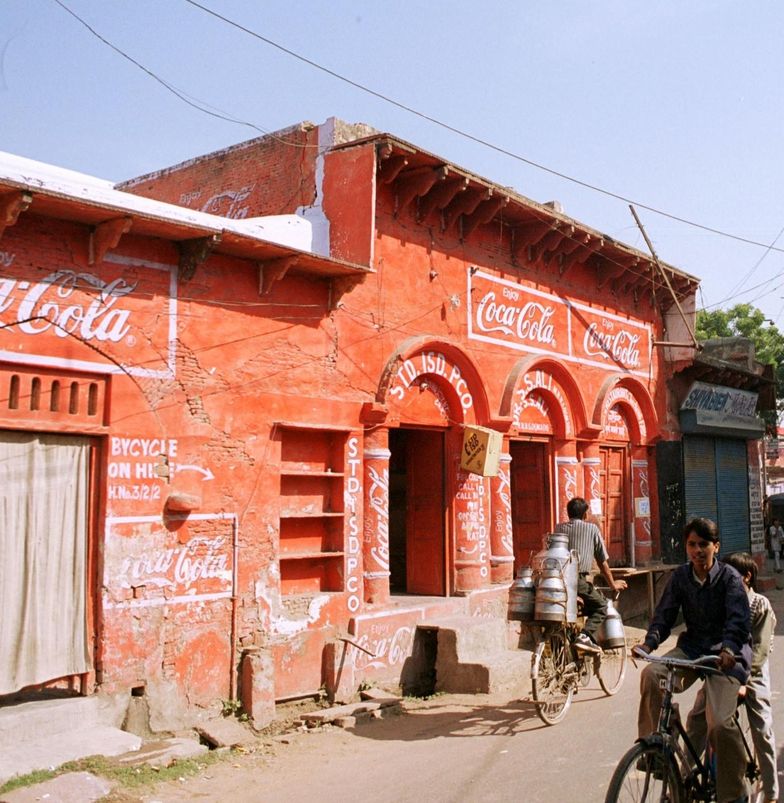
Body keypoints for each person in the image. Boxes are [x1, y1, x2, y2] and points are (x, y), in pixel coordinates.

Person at [635, 517, 752, 803]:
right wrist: (648, 642)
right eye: (692, 545)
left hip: (726, 656)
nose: (698, 550)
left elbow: (738, 621)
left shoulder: (730, 579)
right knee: (652, 674)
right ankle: (657, 752)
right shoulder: (680, 578)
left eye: (703, 544)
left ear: (716, 547)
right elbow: (664, 615)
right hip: (691, 650)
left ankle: (733, 792)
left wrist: (727, 649)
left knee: (720, 725)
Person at [686, 551, 777, 803]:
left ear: (746, 577)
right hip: (723, 671)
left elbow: (758, 651)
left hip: (753, 674)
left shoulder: (760, 605)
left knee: (762, 730)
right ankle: (684, 776)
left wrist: (745, 683)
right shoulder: (721, 602)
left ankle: (770, 792)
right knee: (697, 718)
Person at [554, 496, 627, 653]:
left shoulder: (558, 528)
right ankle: (585, 636)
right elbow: (602, 562)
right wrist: (613, 584)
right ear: (585, 515)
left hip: (557, 580)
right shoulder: (592, 529)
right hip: (577, 580)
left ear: (568, 513)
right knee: (601, 605)